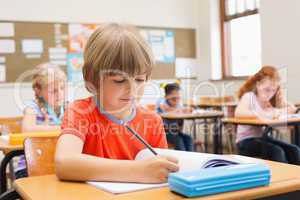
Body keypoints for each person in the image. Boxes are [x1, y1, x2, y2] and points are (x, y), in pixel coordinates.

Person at [55, 23, 179, 184]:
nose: (132, 89)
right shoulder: (80, 112)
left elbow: (160, 171)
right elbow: (64, 163)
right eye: (119, 80)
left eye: (140, 80)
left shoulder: (152, 121)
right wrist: (139, 171)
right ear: (92, 78)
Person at [235, 66, 300, 164]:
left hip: (263, 138)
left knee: (294, 150)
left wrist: (281, 99)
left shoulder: (268, 101)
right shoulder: (249, 97)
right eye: (267, 89)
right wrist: (267, 114)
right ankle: (280, 178)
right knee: (277, 152)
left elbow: (290, 113)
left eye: (273, 90)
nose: (270, 93)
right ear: (258, 85)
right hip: (246, 141)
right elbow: (238, 113)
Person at [17, 63, 67, 178]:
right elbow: (27, 130)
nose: (60, 94)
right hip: (30, 167)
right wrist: (61, 128)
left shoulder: (67, 108)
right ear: (38, 91)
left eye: (62, 88)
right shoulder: (32, 107)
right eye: (53, 91)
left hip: (57, 165)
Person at [156, 83, 194, 151]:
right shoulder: (161, 101)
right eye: (175, 94)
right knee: (178, 140)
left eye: (178, 94)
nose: (177, 96)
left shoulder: (178, 103)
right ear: (167, 95)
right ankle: (182, 160)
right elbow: (165, 108)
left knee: (189, 138)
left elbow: (181, 111)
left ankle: (191, 159)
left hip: (175, 131)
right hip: (164, 132)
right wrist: (180, 110)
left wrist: (186, 110)